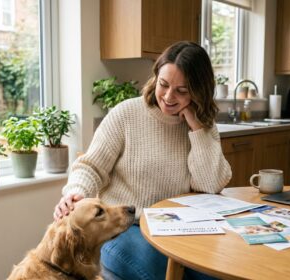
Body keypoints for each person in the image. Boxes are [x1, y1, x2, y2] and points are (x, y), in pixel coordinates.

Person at [53, 41, 232, 280]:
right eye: (164, 84)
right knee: (162, 275)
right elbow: (91, 167)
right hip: (123, 226)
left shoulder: (203, 127)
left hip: (177, 227)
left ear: (199, 91)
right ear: (156, 77)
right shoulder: (127, 113)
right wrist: (76, 192)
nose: (168, 97)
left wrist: (197, 128)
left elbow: (210, 184)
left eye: (182, 90)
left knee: (217, 275)